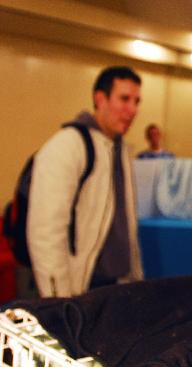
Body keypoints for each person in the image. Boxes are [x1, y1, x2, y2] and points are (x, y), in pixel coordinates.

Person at [27, 66, 144, 297]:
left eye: (137, 101)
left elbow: (126, 224)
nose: (132, 110)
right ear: (100, 99)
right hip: (77, 287)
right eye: (124, 99)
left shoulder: (119, 149)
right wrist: (58, 298)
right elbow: (46, 230)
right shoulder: (67, 146)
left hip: (113, 286)